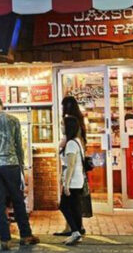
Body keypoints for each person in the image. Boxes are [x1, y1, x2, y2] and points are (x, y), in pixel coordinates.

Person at [0, 96, 39, 250]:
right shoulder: (13, 120)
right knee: (17, 200)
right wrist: (21, 167)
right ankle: (25, 236)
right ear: (2, 106)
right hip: (11, 164)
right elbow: (19, 147)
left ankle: (5, 240)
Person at [54, 96, 90, 236]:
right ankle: (76, 227)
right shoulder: (79, 121)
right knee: (75, 202)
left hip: (71, 166)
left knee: (68, 202)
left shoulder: (70, 122)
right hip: (78, 166)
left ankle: (72, 228)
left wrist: (65, 182)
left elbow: (64, 144)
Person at [58, 115, 86, 246]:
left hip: (73, 181)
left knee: (63, 206)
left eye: (63, 124)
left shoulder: (70, 144)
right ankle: (77, 232)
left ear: (68, 127)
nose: (61, 127)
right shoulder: (77, 141)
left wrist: (66, 184)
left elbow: (71, 165)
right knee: (74, 208)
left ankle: (75, 232)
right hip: (78, 180)